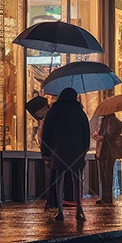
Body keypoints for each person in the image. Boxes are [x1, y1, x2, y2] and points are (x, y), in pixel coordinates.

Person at [41, 87, 91, 222]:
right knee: (77, 179)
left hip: (59, 150)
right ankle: (79, 210)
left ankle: (60, 212)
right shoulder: (79, 112)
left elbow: (47, 133)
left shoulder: (54, 110)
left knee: (59, 179)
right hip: (76, 151)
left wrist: (45, 152)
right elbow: (86, 133)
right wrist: (84, 150)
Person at [93, 111, 122, 205]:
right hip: (109, 150)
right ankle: (106, 196)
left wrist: (99, 137)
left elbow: (106, 135)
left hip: (106, 150)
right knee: (107, 174)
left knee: (105, 174)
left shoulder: (109, 121)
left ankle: (106, 197)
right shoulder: (114, 121)